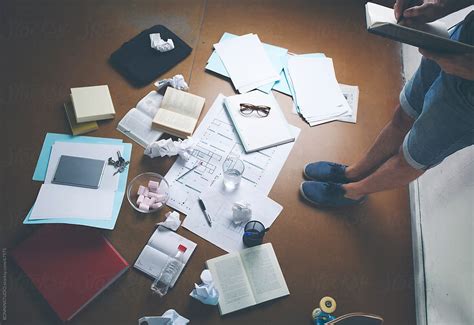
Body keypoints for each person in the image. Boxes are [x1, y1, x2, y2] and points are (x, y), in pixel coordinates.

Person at [300, 0, 474, 207]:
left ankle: (353, 192)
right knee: (405, 114)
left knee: (414, 155)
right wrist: (440, 6)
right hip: (459, 44)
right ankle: (353, 172)